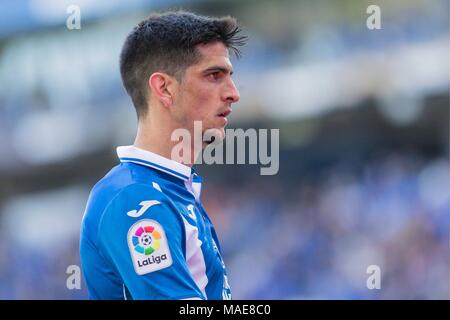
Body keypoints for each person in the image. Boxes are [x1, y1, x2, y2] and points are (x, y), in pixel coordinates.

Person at [79, 11, 245, 300]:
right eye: (214, 75)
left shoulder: (169, 189)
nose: (233, 93)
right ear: (164, 88)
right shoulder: (135, 199)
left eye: (229, 76)